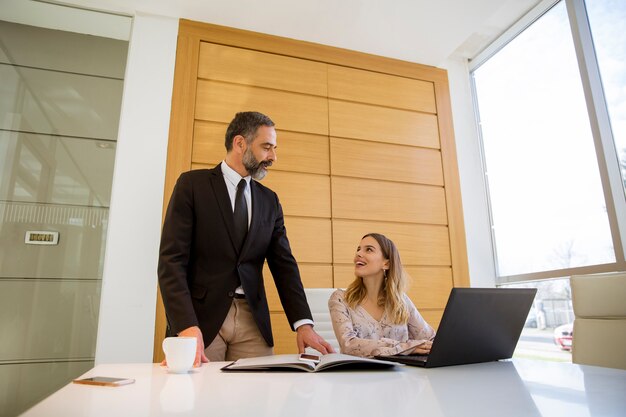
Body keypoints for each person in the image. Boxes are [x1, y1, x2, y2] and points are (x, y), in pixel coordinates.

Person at [158, 111, 334, 366]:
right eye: (266, 147)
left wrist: (303, 324)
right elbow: (171, 261)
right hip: (201, 319)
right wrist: (185, 325)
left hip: (253, 320)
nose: (273, 157)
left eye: (274, 149)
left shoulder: (269, 201)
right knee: (199, 398)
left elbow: (284, 265)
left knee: (256, 399)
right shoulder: (192, 186)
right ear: (240, 143)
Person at [328, 233, 435, 358]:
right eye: (358, 249)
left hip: (401, 374)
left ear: (386, 264)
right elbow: (349, 345)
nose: (358, 254)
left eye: (368, 249)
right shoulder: (340, 299)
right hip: (358, 374)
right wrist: (405, 347)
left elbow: (430, 339)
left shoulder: (401, 301)